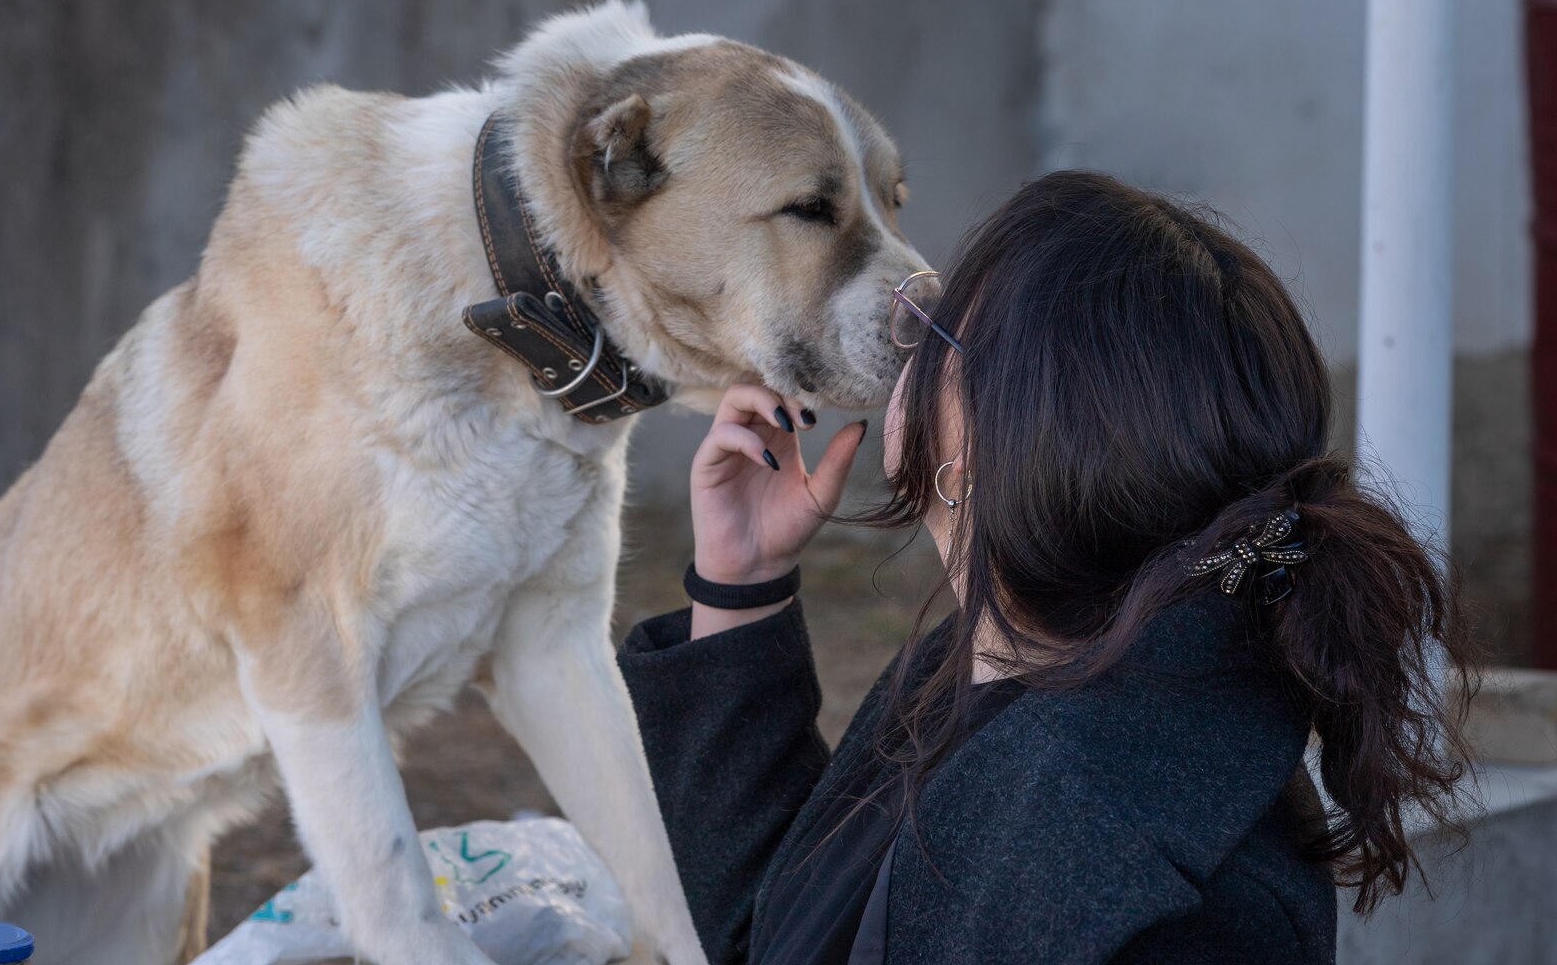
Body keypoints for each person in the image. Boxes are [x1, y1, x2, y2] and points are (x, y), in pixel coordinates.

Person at [617, 170, 1475, 964]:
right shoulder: (1006, 657)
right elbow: (784, 935)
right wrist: (743, 583)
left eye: (933, 328)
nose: (900, 340)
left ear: (1001, 438)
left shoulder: (1165, 889)